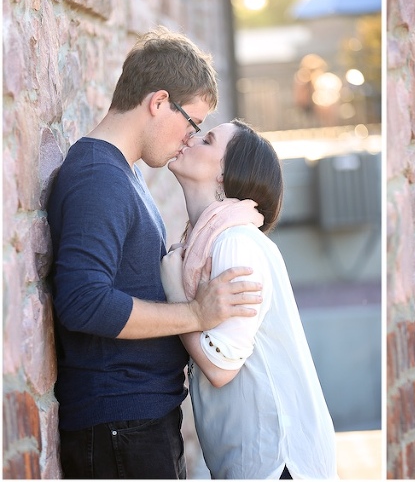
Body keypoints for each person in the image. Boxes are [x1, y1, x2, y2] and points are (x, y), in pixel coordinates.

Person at [48, 27, 263, 479]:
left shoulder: (121, 174)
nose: (189, 138)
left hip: (135, 425)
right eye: (192, 122)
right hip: (119, 428)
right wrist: (197, 315)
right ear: (159, 101)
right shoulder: (97, 177)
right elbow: (82, 300)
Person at [160, 120, 337, 479]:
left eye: (207, 140)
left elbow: (220, 367)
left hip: (277, 462)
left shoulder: (235, 243)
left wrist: (175, 294)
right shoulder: (206, 244)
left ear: (226, 175)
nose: (191, 139)